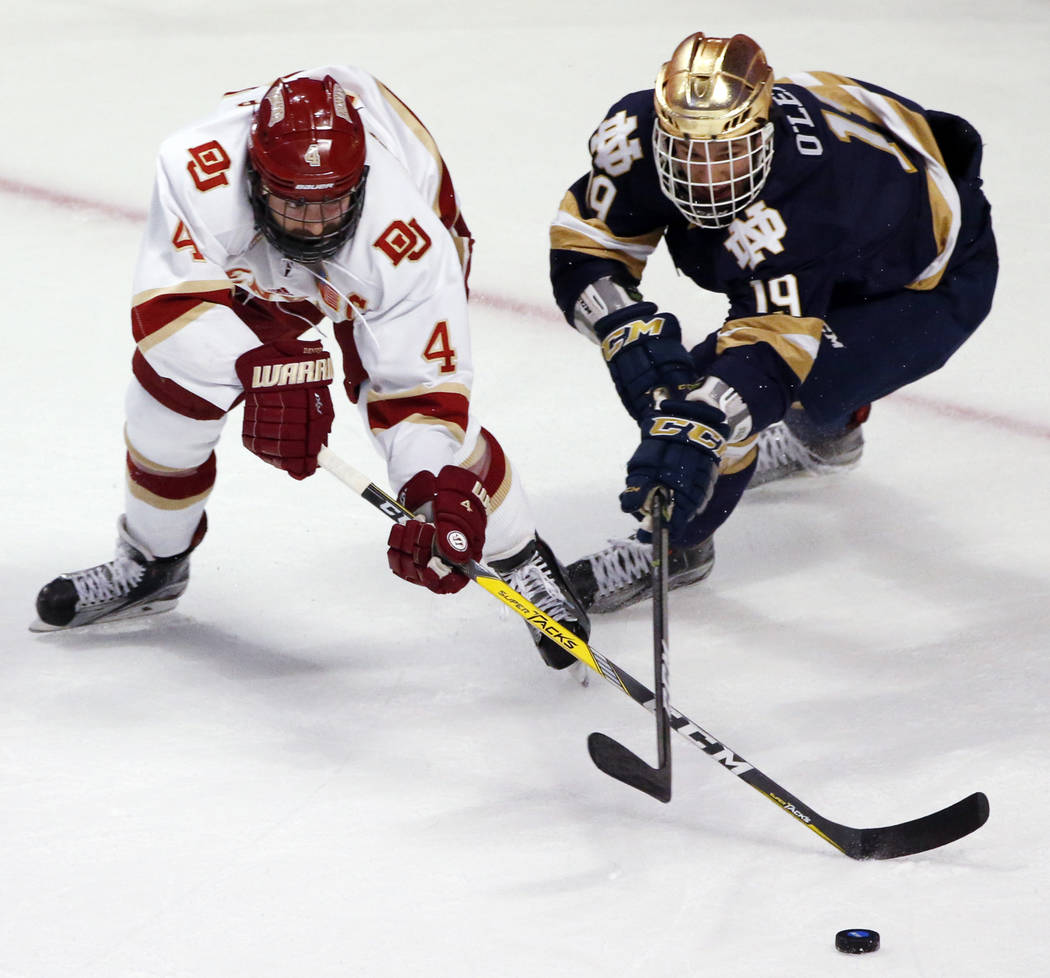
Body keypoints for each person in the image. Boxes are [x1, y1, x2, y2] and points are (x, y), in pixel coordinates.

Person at [32, 66, 589, 669]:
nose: (314, 225)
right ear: (254, 180)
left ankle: (522, 557)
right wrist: (263, 370)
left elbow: (420, 397)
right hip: (253, 256)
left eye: (332, 203)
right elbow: (167, 307)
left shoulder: (409, 240)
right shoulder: (196, 169)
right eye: (294, 202)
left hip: (382, 262)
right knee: (166, 400)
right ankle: (151, 563)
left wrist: (431, 497)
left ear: (361, 183)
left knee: (439, 435)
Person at [549, 31, 997, 612]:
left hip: (926, 289)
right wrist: (622, 330)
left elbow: (767, 356)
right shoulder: (635, 133)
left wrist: (701, 425)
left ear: (764, 133)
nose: (704, 173)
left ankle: (679, 548)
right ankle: (828, 433)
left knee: (706, 397)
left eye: (726, 152)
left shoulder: (808, 201)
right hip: (865, 230)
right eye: (686, 149)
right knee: (750, 393)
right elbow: (589, 241)